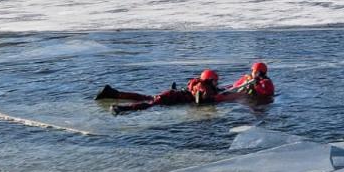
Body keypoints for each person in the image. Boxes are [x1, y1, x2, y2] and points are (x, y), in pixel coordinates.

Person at [97, 64, 272, 114]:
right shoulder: (203, 87)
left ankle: (113, 93)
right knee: (150, 103)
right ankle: (123, 109)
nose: (216, 83)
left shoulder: (200, 84)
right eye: (214, 81)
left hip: (175, 95)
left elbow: (226, 89)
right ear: (209, 80)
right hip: (175, 97)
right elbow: (207, 98)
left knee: (146, 98)